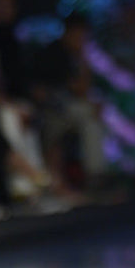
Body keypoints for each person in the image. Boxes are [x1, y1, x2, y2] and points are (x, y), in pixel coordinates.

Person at [35, 13, 106, 189]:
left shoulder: (75, 55)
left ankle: (96, 176)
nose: (82, 39)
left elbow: (84, 90)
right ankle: (96, 177)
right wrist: (82, 59)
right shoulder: (54, 53)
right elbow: (77, 89)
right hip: (50, 112)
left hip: (67, 111)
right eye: (79, 34)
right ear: (68, 32)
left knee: (92, 120)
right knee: (90, 116)